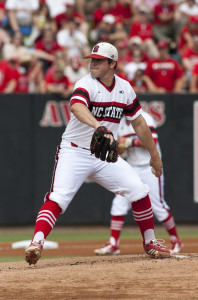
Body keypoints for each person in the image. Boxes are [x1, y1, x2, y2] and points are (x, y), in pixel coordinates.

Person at [25, 42, 171, 265]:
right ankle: (36, 243)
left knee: (139, 191)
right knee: (59, 197)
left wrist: (155, 155)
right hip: (74, 151)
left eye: (99, 60)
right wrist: (98, 126)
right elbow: (76, 107)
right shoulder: (86, 83)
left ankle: (150, 243)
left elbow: (139, 123)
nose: (93, 63)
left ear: (113, 63)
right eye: (92, 59)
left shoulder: (125, 88)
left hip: (103, 156)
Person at [94, 111, 183, 256]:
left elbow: (152, 141)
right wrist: (119, 147)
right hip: (132, 167)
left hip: (149, 167)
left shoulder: (145, 118)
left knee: (158, 207)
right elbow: (122, 149)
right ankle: (113, 243)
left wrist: (129, 143)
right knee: (119, 204)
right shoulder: (121, 123)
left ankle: (176, 241)